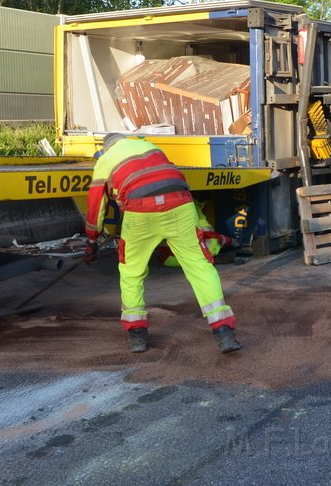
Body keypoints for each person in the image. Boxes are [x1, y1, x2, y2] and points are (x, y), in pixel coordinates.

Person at [83, 133, 241, 354]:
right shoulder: (149, 147)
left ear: (106, 147)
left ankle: (137, 335)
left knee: (131, 272)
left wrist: (91, 239)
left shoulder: (107, 158)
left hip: (140, 212)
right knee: (200, 266)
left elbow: (96, 202)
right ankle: (223, 331)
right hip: (180, 204)